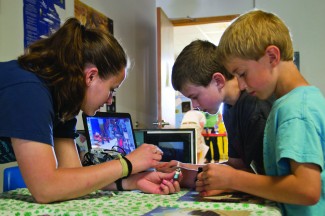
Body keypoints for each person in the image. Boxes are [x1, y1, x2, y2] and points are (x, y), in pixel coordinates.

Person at [0, 18, 181, 204]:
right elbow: (46, 189)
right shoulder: (28, 89)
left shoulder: (64, 104)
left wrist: (132, 181)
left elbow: (71, 176)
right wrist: (127, 164)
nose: (110, 100)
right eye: (112, 89)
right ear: (91, 76)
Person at [197, 9, 325, 215]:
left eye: (242, 73)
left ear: (272, 56)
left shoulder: (296, 110)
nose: (240, 84)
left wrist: (234, 179)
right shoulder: (292, 102)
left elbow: (307, 190)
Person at [156, 39, 273, 187]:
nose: (194, 106)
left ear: (218, 81)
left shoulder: (254, 108)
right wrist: (184, 168)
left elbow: (264, 177)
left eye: (195, 97)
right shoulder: (230, 108)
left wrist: (228, 183)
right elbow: (236, 165)